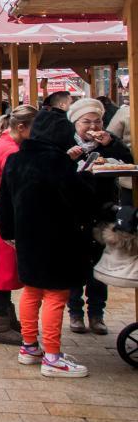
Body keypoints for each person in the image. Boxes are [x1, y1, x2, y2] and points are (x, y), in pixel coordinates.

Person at [0, 110, 96, 378]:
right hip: (57, 237)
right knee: (55, 294)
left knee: (31, 291)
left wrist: (8, 231)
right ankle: (52, 357)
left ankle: (29, 347)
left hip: (26, 235)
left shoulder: (16, 159)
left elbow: (3, 199)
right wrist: (86, 178)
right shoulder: (57, 162)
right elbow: (80, 199)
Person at [66, 98, 131, 335]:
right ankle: (75, 313)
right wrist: (68, 160)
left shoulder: (108, 143)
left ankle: (96, 314)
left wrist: (112, 144)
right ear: (75, 123)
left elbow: (128, 162)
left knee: (99, 266)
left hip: (102, 211)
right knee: (75, 265)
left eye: (98, 121)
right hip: (74, 213)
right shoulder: (65, 143)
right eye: (87, 122)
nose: (93, 127)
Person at [0, 105, 36, 345]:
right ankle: (0, 324)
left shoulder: (5, 139)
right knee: (5, 271)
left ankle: (6, 317)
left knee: (6, 269)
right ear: (21, 127)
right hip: (4, 214)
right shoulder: (10, 150)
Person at [107, 101, 132, 205]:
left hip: (130, 178)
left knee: (129, 211)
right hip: (130, 177)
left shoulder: (125, 112)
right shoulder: (125, 112)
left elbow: (110, 136)